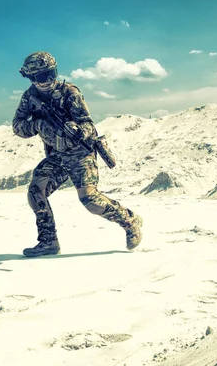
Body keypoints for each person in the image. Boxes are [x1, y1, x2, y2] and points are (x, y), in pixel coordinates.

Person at [12, 51, 143, 257]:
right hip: (57, 156)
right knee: (36, 193)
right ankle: (48, 242)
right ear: (31, 77)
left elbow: (89, 125)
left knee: (90, 200)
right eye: (42, 76)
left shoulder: (69, 92)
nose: (49, 80)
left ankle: (129, 221)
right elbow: (18, 126)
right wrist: (37, 125)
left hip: (81, 154)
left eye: (52, 73)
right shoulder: (30, 97)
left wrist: (78, 129)